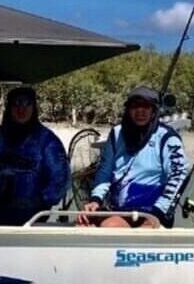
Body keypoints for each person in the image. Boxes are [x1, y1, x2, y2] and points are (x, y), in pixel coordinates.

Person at [77, 86, 188, 228]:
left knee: (124, 229)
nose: (140, 111)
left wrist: (158, 211)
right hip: (119, 210)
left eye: (145, 106)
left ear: (153, 110)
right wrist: (95, 200)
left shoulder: (167, 137)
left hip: (153, 212)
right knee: (87, 225)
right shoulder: (117, 134)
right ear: (128, 109)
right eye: (135, 106)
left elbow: (179, 174)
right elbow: (105, 171)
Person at [0, 87, 69, 225]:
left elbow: (60, 181)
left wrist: (40, 202)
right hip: (1, 206)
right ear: (9, 108)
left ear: (34, 107)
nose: (21, 109)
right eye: (16, 104)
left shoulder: (48, 141)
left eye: (26, 103)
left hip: (33, 213)